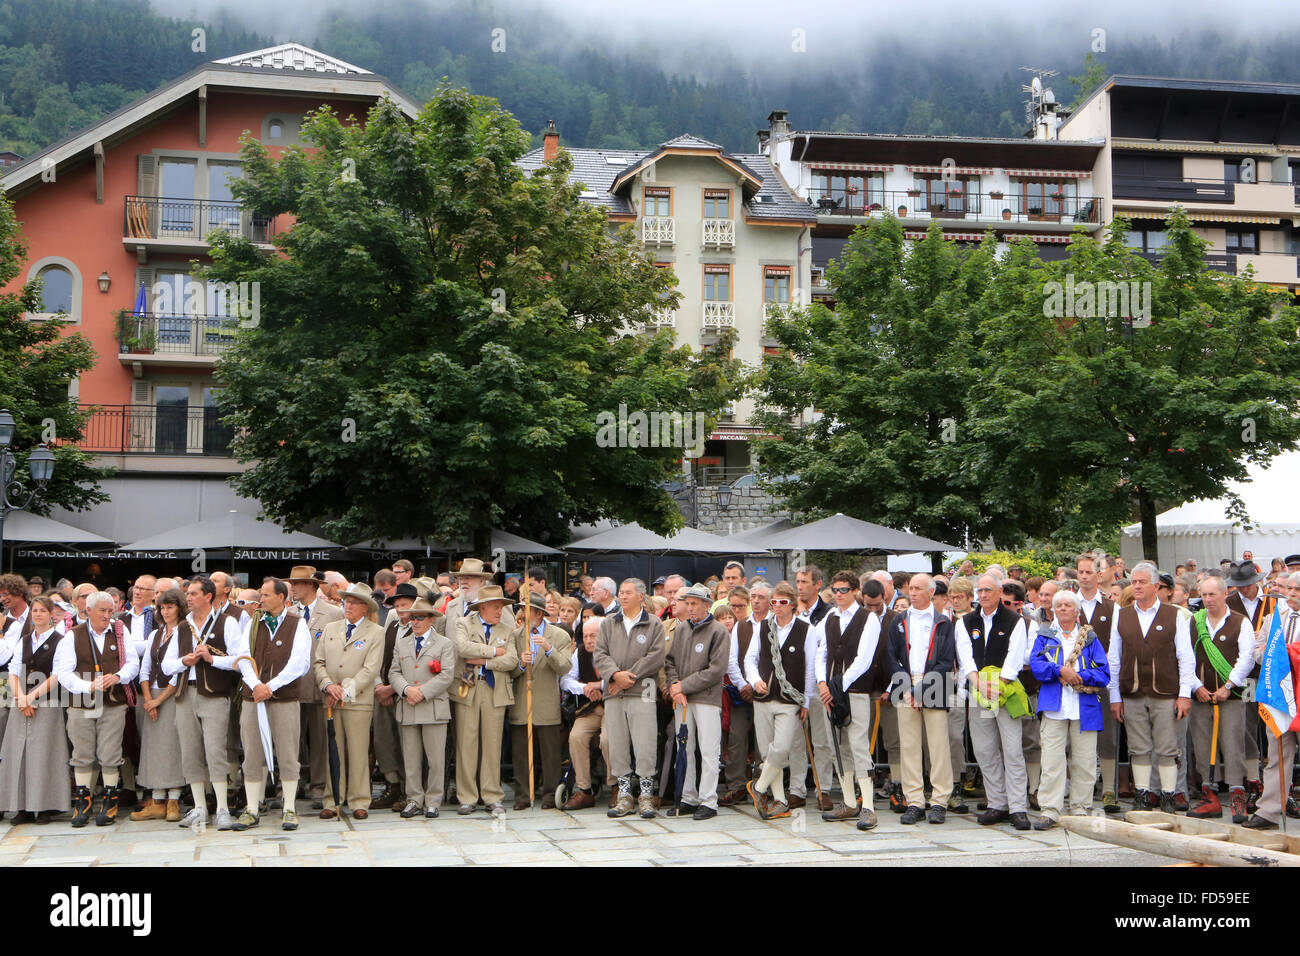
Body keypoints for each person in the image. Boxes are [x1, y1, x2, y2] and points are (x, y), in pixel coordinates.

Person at [1107, 561, 1195, 814]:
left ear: (1156, 586)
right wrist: (1115, 696)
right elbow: (1114, 657)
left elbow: (1185, 657)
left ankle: (1168, 794)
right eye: (1133, 582)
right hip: (1132, 692)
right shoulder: (1121, 615)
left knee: (1167, 747)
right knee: (1138, 746)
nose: (1136, 586)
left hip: (1166, 692)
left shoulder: (1174, 614)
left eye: (1142, 582)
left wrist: (1184, 695)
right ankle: (1142, 794)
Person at [229, 577, 312, 831]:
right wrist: (255, 685)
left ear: (281, 597)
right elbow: (243, 657)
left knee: (287, 752)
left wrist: (271, 686)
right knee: (252, 752)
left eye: (265, 595)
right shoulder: (254, 623)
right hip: (253, 697)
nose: (261, 599)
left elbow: (300, 663)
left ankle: (289, 807)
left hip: (284, 698)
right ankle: (252, 808)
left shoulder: (297, 624)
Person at [55, 591, 140, 827]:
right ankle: (84, 799)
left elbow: (133, 663)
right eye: (102, 610)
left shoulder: (121, 633)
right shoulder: (73, 636)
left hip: (113, 701)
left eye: (110, 610)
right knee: (82, 752)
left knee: (110, 751)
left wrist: (119, 677)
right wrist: (88, 686)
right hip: (81, 703)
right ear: (88, 611)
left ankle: (110, 796)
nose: (107, 615)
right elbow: (63, 672)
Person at [164, 576, 242, 830]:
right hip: (186, 692)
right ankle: (199, 808)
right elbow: (166, 665)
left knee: (215, 750)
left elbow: (239, 660)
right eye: (188, 594)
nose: (188, 597)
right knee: (190, 751)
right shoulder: (182, 626)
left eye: (194, 593)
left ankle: (221, 808)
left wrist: (211, 660)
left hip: (215, 694)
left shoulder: (227, 622)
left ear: (208, 596)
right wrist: (183, 662)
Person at [1029, 589, 1110, 829]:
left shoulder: (1091, 638)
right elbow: (1036, 665)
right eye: (1059, 605)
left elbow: (1103, 672)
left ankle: (1080, 808)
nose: (1063, 608)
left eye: (1068, 605)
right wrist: (1058, 671)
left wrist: (1077, 676)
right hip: (1054, 707)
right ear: (1053, 610)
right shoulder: (1045, 635)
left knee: (1084, 761)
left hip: (1084, 708)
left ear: (1077, 611)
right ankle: (1050, 809)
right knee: (1052, 760)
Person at [956, 573, 1031, 830]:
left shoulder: (1014, 620)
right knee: (985, 750)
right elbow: (966, 656)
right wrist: (978, 683)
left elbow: (1015, 656)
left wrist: (999, 686)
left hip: (1005, 693)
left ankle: (1018, 807)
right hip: (980, 695)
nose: (983, 594)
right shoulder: (966, 621)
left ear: (1000, 592)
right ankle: (997, 803)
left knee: (1012, 750)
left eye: (988, 590)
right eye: (980, 590)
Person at [884, 574, 956, 825]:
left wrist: (921, 689)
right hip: (905, 684)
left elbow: (946, 660)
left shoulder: (943, 622)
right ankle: (914, 800)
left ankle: (939, 801)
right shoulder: (899, 621)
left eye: (918, 589)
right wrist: (905, 685)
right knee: (909, 746)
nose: (912, 593)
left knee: (938, 747)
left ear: (931, 592)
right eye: (910, 588)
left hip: (933, 683)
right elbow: (891, 655)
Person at [595, 578, 666, 819]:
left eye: (627, 593)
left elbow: (656, 657)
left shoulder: (654, 623)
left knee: (645, 742)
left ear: (640, 596)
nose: (623, 596)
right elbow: (600, 654)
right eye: (621, 593)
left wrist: (629, 677)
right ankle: (624, 795)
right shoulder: (608, 623)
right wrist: (615, 675)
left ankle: (646, 796)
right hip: (614, 691)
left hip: (643, 689)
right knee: (617, 743)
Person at [313, 583, 385, 819]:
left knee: (358, 751)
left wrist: (345, 690)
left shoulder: (376, 632)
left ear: (365, 607)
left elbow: (371, 668)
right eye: (347, 601)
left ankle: (359, 799)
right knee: (332, 750)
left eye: (354, 602)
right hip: (331, 700)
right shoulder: (331, 628)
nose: (349, 605)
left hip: (358, 701)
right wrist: (327, 686)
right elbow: (319, 662)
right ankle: (332, 798)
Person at [815, 570, 881, 826]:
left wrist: (837, 685)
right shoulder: (830, 617)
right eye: (836, 590)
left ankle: (869, 806)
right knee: (837, 748)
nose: (839, 594)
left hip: (855, 691)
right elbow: (821, 653)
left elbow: (863, 660)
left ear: (855, 591)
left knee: (859, 746)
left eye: (844, 590)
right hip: (830, 691)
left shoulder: (869, 619)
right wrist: (823, 683)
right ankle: (849, 802)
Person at [1187, 574, 1254, 822]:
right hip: (1201, 696)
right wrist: (1197, 687)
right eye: (1203, 595)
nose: (1207, 599)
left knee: (1233, 744)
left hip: (1231, 696)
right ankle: (1209, 795)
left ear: (1224, 594)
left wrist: (1228, 685)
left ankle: (1237, 796)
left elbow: (1246, 658)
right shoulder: (1194, 622)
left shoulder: (1240, 622)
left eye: (1212, 594)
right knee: (1202, 746)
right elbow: (1185, 657)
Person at [743, 581, 813, 819]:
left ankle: (758, 787)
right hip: (763, 697)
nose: (778, 606)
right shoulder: (763, 627)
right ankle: (780, 800)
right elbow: (749, 659)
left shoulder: (806, 629)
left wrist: (806, 702)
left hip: (789, 699)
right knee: (767, 751)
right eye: (774, 602)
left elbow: (810, 669)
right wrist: (754, 680)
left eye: (783, 602)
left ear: (793, 605)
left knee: (781, 749)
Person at [0, 595, 69, 823]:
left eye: (42, 610)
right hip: (22, 702)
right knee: (18, 753)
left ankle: (45, 806)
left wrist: (31, 697)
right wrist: (20, 698)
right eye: (35, 610)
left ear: (51, 615)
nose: (37, 614)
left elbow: (57, 674)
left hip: (48, 702)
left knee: (44, 754)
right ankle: (22, 806)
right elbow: (12, 669)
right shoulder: (25, 639)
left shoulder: (61, 640)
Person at [452, 584, 519, 816]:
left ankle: (492, 795)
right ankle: (467, 797)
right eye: (495, 606)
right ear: (482, 607)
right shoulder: (463, 623)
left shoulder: (506, 630)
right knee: (466, 743)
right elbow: (462, 648)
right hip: (467, 688)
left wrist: (484, 662)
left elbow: (512, 661)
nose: (499, 611)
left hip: (495, 690)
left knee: (492, 744)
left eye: (501, 607)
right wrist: (493, 652)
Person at [664, 584, 729, 820]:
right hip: (683, 699)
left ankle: (708, 800)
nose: (690, 608)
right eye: (688, 603)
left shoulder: (718, 631)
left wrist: (683, 685)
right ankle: (688, 797)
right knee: (685, 748)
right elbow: (669, 661)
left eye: (694, 604)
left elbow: (715, 670)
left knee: (709, 750)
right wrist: (674, 686)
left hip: (707, 699)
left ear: (706, 605)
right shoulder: (682, 630)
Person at [391, 598, 456, 818]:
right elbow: (393, 672)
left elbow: (447, 674)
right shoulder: (402, 642)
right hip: (408, 705)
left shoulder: (444, 644)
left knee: (435, 758)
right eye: (412, 618)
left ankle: (433, 800)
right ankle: (414, 799)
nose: (415, 622)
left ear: (430, 620)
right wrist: (407, 689)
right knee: (411, 758)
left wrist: (422, 692)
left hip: (433, 707)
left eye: (419, 618)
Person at [1245, 571, 1300, 829]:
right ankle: (1268, 811)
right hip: (1278, 696)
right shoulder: (1274, 617)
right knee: (1277, 754)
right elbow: (1258, 649)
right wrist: (1269, 657)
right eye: (1289, 589)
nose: (1291, 594)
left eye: (1297, 590)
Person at [286, 565, 344, 810]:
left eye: (297, 583)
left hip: (321, 684)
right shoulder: (287, 613)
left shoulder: (333, 613)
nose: (293, 588)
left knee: (321, 737)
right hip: (291, 685)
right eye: (292, 583)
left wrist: (334, 682)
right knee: (290, 738)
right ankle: (290, 783)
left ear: (311, 585)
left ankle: (320, 785)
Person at [509, 590, 573, 809]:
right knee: (520, 753)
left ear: (538, 613)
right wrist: (520, 663)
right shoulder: (516, 635)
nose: (522, 614)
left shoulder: (559, 636)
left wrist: (548, 649)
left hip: (547, 703)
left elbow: (564, 666)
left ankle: (549, 795)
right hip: (521, 703)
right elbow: (508, 670)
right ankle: (523, 796)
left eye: (525, 610)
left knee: (550, 754)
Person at [129, 588, 186, 823]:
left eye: (170, 607)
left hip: (171, 695)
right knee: (152, 748)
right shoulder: (155, 635)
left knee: (172, 746)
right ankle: (157, 800)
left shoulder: (185, 634)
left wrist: (159, 700)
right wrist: (148, 699)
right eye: (162, 607)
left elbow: (178, 673)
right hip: (150, 694)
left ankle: (173, 799)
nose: (166, 611)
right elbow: (144, 669)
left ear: (179, 608)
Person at [373, 582, 420, 811]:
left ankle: (407, 790)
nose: (400, 609)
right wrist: (380, 687)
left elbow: (416, 668)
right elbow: (380, 658)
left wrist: (391, 689)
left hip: (406, 694)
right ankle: (391, 785)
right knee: (384, 741)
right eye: (397, 605)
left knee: (406, 744)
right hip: (384, 691)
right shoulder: (391, 626)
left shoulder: (420, 628)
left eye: (404, 604)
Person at [561, 617, 615, 810]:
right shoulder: (580, 652)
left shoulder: (614, 651)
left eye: (593, 635)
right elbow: (566, 680)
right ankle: (585, 790)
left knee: (608, 739)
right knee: (576, 737)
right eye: (585, 636)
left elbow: (621, 676)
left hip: (613, 706)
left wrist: (599, 685)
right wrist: (584, 688)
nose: (589, 640)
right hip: (590, 708)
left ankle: (615, 786)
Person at [718, 585, 756, 808]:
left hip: (759, 690)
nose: (737, 610)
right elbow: (728, 664)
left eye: (741, 606)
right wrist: (742, 686)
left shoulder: (755, 626)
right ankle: (736, 785)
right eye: (733, 606)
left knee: (762, 740)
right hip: (736, 692)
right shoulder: (725, 630)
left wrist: (752, 685)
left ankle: (762, 783)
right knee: (736, 737)